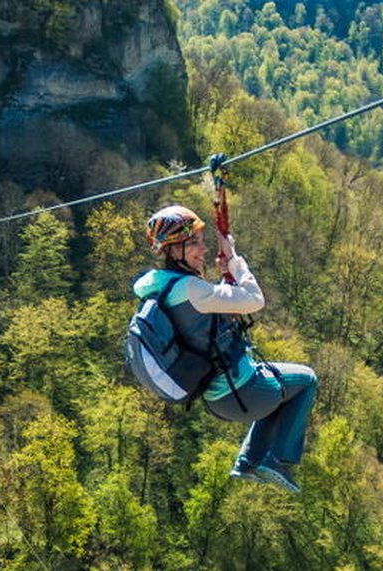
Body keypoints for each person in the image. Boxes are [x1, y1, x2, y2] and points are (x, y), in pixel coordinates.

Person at [132, 205, 318, 493]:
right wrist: (234, 259)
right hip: (245, 392)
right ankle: (276, 459)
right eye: (193, 243)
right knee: (306, 380)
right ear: (172, 250)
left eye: (200, 241)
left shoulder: (161, 288)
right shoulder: (193, 290)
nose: (202, 249)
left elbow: (200, 319)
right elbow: (255, 299)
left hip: (218, 402)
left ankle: (246, 461)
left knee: (280, 388)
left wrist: (223, 283)